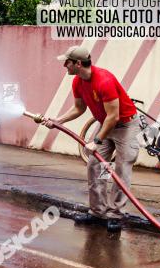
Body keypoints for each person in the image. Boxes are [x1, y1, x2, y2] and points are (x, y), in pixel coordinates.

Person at [36, 46, 140, 232]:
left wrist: (97, 141)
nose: (64, 65)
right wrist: (57, 120)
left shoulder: (104, 80)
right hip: (106, 123)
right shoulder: (77, 81)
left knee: (121, 169)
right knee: (95, 165)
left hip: (125, 125)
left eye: (67, 62)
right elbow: (79, 108)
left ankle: (116, 214)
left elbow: (114, 116)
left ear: (77, 63)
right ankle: (98, 212)